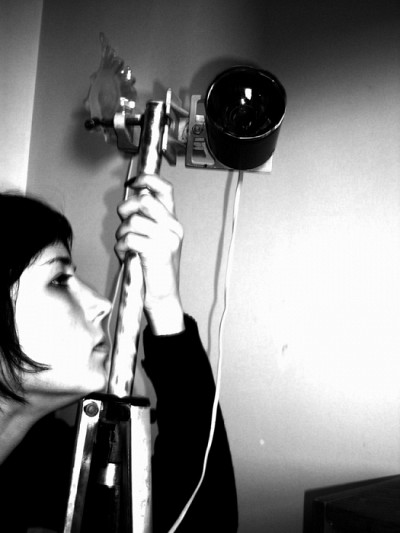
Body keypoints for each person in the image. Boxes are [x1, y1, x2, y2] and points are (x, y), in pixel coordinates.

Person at [0, 174, 238, 532]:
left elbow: (201, 518)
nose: (102, 303)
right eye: (59, 280)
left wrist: (164, 305)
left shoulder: (36, 461)